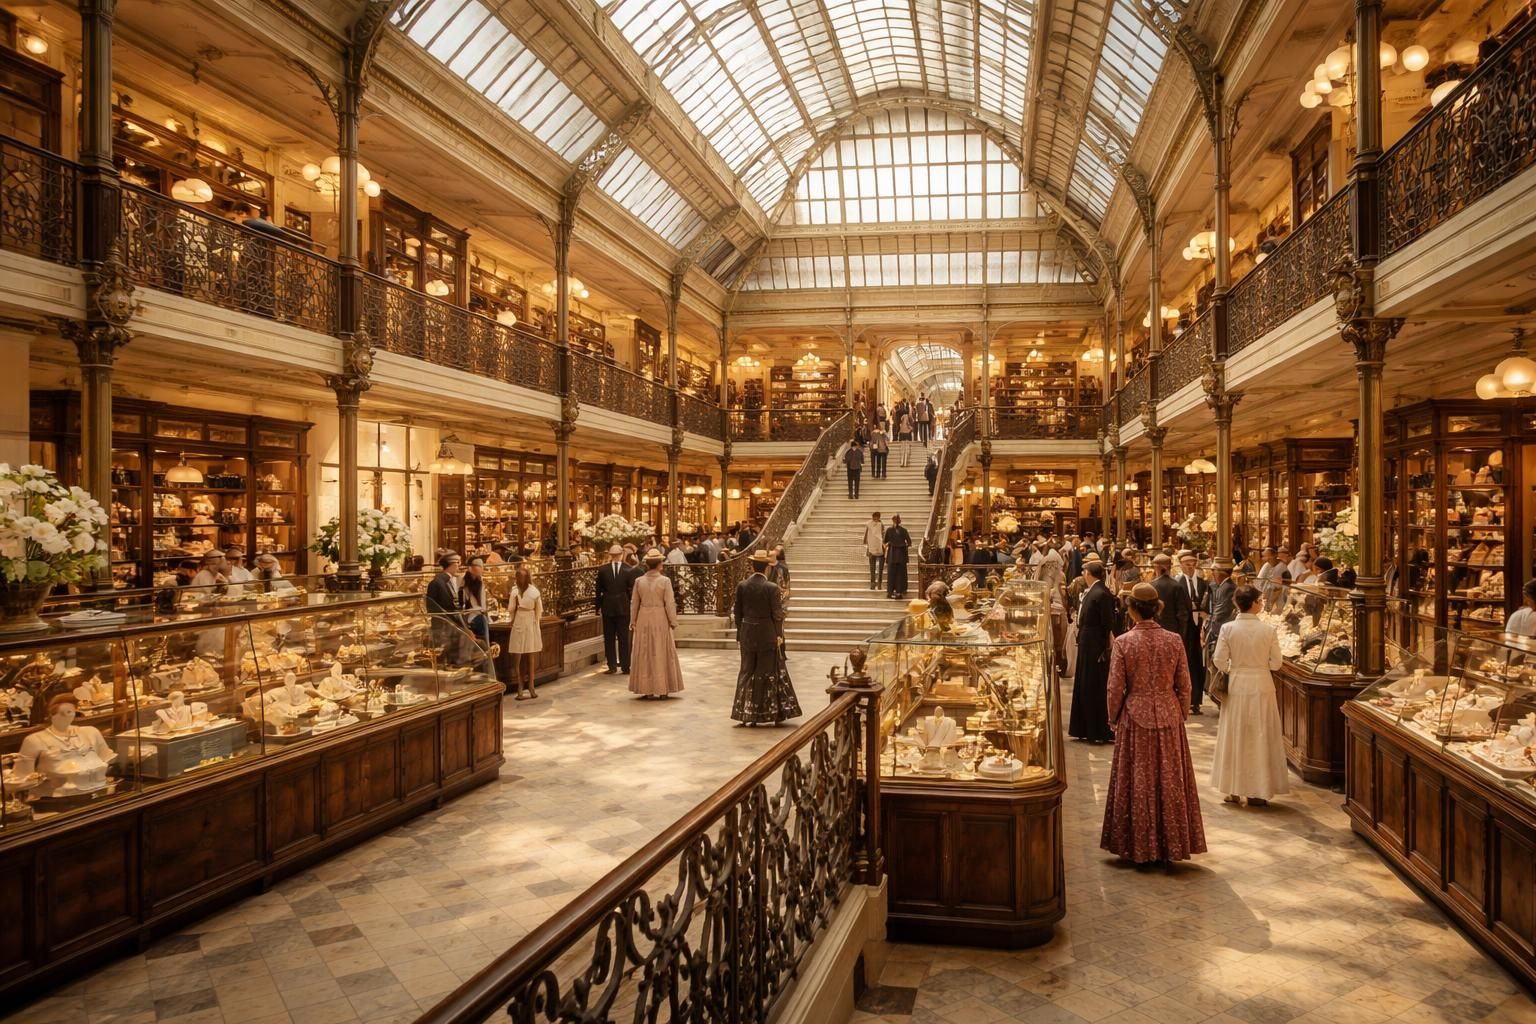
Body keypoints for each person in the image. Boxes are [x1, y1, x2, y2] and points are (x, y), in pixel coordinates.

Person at [1101, 582, 1207, 865]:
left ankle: (1137, 844)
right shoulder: (1174, 640)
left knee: (1137, 780)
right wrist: (1181, 711)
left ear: (1132, 609)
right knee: (1169, 779)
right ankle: (1169, 844)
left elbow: (1115, 688)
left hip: (1135, 716)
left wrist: (1113, 716)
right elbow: (1185, 684)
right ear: (1156, 609)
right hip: (1169, 714)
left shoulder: (1124, 642)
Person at [1210, 585, 1289, 806]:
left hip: (1237, 684)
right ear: (1254, 603)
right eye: (1261, 600)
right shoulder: (1268, 630)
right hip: (1262, 685)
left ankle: (1234, 789)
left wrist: (1232, 669)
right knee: (1260, 735)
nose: (1262, 603)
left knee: (1236, 735)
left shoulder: (1227, 628)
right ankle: (1258, 791)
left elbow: (1218, 660)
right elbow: (1276, 663)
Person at [731, 550, 800, 725]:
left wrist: (740, 632)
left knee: (747, 670)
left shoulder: (742, 586)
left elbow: (737, 612)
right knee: (767, 671)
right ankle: (768, 712)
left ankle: (745, 713)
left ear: (753, 566)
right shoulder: (772, 588)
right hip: (766, 632)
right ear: (767, 568)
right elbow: (777, 614)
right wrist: (778, 635)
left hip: (748, 631)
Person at [1068, 561, 1116, 744]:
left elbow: (1107, 623)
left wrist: (1103, 649)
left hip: (1095, 644)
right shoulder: (1093, 591)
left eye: (1084, 571)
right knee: (1085, 683)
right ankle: (1085, 728)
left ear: (1088, 573)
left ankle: (1097, 730)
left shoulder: (1101, 593)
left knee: (1094, 685)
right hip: (1088, 641)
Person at [629, 548, 684, 699]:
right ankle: (663, 689)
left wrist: (632, 620)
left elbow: (634, 603)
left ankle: (646, 689)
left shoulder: (639, 581)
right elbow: (669, 603)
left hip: (643, 617)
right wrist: (673, 621)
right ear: (659, 564)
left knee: (645, 650)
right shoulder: (665, 581)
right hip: (660, 617)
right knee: (660, 651)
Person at [1175, 550, 1210, 714]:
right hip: (1184, 628)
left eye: (1192, 564)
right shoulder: (1178, 584)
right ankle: (1184, 699)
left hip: (1198, 628)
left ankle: (1196, 700)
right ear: (1181, 565)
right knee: (1184, 663)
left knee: (1197, 664)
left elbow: (1207, 603)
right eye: (1187, 564)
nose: (1190, 567)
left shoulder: (1203, 583)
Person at [595, 543, 637, 674]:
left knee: (612, 637)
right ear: (622, 554)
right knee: (622, 638)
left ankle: (614, 665)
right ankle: (623, 666)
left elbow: (598, 591)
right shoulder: (628, 569)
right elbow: (632, 591)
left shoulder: (605, 570)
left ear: (610, 555)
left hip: (612, 606)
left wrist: (598, 607)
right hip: (621, 606)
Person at [507, 566, 544, 700]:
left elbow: (539, 611)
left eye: (522, 577)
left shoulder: (534, 592)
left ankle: (531, 686)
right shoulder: (514, 592)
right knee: (517, 656)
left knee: (530, 656)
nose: (520, 580)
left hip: (530, 623)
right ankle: (520, 686)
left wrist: (536, 625)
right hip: (518, 622)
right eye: (518, 577)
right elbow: (511, 609)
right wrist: (511, 620)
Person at [1204, 564, 1236, 704]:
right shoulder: (1223, 586)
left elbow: (1220, 612)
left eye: (1214, 571)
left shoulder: (1227, 587)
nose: (1212, 573)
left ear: (1221, 573)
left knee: (1217, 665)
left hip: (1221, 630)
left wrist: (1210, 631)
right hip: (1219, 628)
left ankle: (1218, 695)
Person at [425, 552, 468, 648]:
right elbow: (432, 607)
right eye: (457, 563)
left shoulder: (446, 581)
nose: (458, 567)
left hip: (449, 626)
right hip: (443, 627)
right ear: (452, 564)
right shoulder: (437, 582)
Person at [461, 556, 493, 650]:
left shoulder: (476, 581)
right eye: (480, 566)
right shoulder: (467, 582)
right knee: (484, 643)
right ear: (472, 568)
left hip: (472, 618)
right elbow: (481, 606)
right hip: (475, 618)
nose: (482, 569)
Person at [884, 513, 912, 600]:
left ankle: (896, 591)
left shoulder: (901, 530)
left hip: (897, 555)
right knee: (895, 574)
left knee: (898, 574)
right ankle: (892, 591)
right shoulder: (892, 530)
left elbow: (909, 542)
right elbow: (909, 543)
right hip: (897, 554)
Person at [863, 512, 885, 591]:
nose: (875, 519)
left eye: (876, 517)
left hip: (878, 548)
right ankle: (874, 584)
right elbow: (867, 536)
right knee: (874, 568)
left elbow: (866, 537)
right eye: (875, 517)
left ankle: (877, 584)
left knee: (878, 568)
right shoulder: (879, 524)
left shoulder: (872, 524)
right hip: (875, 548)